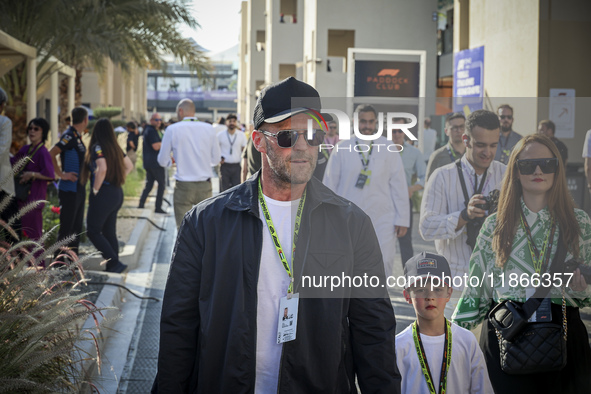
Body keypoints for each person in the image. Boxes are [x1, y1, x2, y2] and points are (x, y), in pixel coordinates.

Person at [153, 77, 401, 393]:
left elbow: (374, 332)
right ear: (259, 141)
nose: (302, 146)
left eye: (313, 135)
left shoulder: (353, 225)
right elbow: (179, 327)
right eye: (286, 136)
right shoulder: (205, 223)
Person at [453, 134, 591, 393]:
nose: (538, 170)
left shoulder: (580, 222)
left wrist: (580, 288)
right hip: (508, 335)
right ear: (515, 171)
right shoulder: (495, 225)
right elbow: (477, 289)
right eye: (528, 165)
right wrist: (449, 342)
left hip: (564, 338)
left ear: (557, 169)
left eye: (547, 164)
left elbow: (587, 297)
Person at [419, 109, 506, 317]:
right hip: (455, 286)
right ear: (466, 139)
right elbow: (426, 227)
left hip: (497, 285)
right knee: (453, 349)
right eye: (481, 145)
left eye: (493, 145)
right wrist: (463, 216)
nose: (488, 152)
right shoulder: (442, 176)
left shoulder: (505, 173)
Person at [323, 104, 409, 279]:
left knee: (383, 262)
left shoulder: (388, 146)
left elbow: (398, 184)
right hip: (347, 219)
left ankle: (379, 302)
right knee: (349, 264)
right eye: (363, 121)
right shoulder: (342, 148)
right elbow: (329, 186)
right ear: (355, 122)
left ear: (376, 123)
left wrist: (402, 219)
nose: (367, 126)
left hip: (383, 218)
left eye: (371, 122)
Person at [397, 252, 493, 394]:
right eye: (420, 290)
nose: (430, 297)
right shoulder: (398, 346)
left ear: (449, 293)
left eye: (437, 289)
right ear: (407, 295)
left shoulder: (467, 341)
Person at [157, 99, 221, 228]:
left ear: (180, 111)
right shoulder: (209, 129)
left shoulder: (172, 129)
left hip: (183, 186)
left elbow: (162, 160)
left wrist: (171, 162)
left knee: (183, 230)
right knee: (204, 229)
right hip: (205, 185)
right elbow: (216, 160)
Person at [81, 118, 133, 273]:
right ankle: (113, 265)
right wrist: (118, 178)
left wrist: (96, 189)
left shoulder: (97, 146)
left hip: (104, 193)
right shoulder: (115, 147)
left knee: (93, 230)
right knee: (109, 231)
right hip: (116, 192)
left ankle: (115, 262)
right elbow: (129, 166)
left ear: (96, 131)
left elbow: (102, 168)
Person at [10, 118, 55, 251]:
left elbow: (50, 175)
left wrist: (32, 174)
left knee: (34, 238)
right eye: (30, 128)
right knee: (22, 237)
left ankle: (37, 268)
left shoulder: (43, 152)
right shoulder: (25, 149)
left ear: (43, 132)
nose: (32, 131)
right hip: (21, 199)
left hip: (34, 200)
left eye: (36, 129)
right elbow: (12, 164)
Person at [49, 106, 88, 257]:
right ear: (85, 120)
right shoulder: (69, 136)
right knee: (67, 228)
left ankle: (72, 263)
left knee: (76, 228)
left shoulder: (77, 136)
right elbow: (52, 153)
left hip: (79, 189)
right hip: (69, 190)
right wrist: (61, 174)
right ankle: (58, 263)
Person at [392, 117, 426, 265]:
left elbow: (425, 177)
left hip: (404, 201)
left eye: (400, 130)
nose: (397, 134)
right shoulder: (378, 150)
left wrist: (412, 188)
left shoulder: (414, 153)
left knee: (405, 241)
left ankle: (409, 280)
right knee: (378, 240)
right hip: (382, 201)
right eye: (394, 130)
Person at [426, 112, 466, 182]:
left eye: (462, 127)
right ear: (446, 131)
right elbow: (429, 185)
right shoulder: (437, 156)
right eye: (454, 128)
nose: (459, 131)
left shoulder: (473, 153)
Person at [138, 113, 166, 214]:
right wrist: (165, 142)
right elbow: (156, 146)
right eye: (157, 120)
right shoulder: (151, 131)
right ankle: (158, 207)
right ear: (151, 120)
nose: (159, 122)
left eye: (160, 119)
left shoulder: (151, 130)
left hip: (150, 162)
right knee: (162, 185)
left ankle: (141, 204)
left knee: (149, 184)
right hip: (155, 163)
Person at [217, 113, 246, 191]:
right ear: (226, 122)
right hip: (224, 166)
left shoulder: (241, 135)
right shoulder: (220, 135)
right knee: (223, 190)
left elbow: (244, 151)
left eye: (234, 121)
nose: (232, 123)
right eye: (230, 121)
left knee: (237, 191)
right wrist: (219, 158)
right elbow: (216, 149)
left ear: (236, 123)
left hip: (236, 167)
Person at [0, 87, 15, 230]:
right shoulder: (4, 121)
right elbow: (3, 149)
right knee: (12, 225)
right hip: (3, 182)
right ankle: (17, 253)